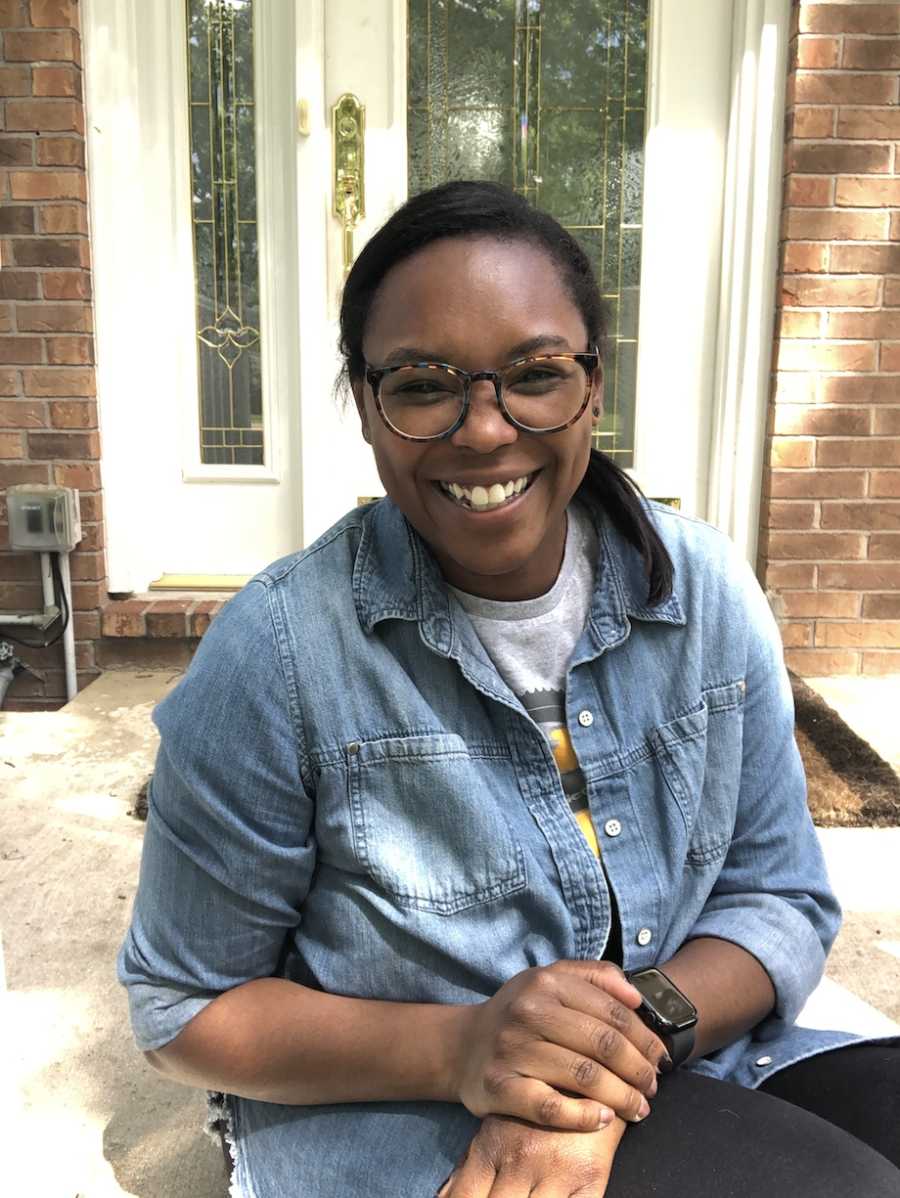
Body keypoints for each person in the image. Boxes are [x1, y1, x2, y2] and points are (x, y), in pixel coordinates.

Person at [119, 181, 899, 1197]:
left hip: (699, 1043)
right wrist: (471, 1049)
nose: (484, 431)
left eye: (533, 374)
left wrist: (597, 1059)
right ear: (366, 403)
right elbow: (184, 1009)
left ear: (592, 384)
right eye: (422, 383)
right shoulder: (276, 656)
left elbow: (779, 895)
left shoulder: (705, 590)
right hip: (406, 1109)